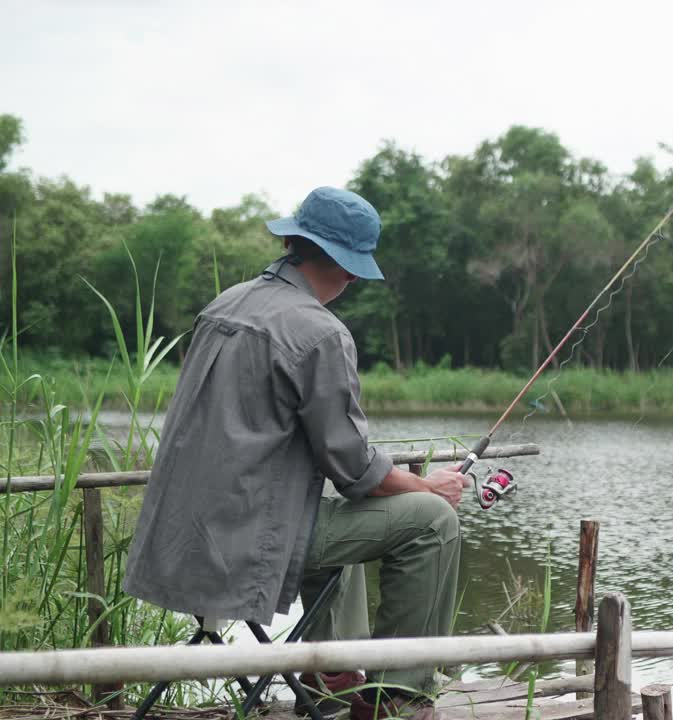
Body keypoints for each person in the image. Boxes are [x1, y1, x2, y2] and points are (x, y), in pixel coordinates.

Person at [124, 186, 468, 720]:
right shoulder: (320, 332)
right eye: (353, 268)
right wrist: (429, 487)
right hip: (240, 544)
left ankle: (330, 672)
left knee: (342, 516)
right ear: (343, 265)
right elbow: (356, 471)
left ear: (291, 241)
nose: (353, 281)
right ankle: (397, 698)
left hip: (176, 536)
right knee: (431, 521)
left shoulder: (226, 303)